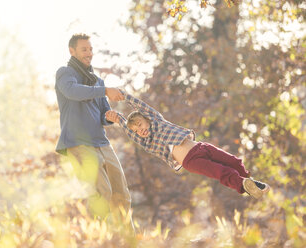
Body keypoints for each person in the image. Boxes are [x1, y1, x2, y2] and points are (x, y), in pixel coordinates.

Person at [105, 89, 270, 199]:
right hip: (191, 161)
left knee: (234, 162)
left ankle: (251, 184)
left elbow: (140, 105)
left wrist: (123, 95)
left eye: (140, 125)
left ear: (147, 119)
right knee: (222, 171)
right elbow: (127, 129)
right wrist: (118, 118)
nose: (139, 130)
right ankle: (242, 184)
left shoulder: (156, 119)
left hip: (201, 147)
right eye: (136, 130)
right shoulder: (148, 142)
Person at [54, 34, 133, 229]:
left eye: (90, 49)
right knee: (102, 196)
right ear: (72, 51)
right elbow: (73, 92)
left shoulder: (97, 81)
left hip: (102, 143)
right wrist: (105, 90)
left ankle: (129, 241)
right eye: (84, 49)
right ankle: (104, 241)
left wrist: (109, 117)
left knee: (121, 195)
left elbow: (102, 114)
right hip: (78, 144)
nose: (89, 53)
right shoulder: (65, 73)